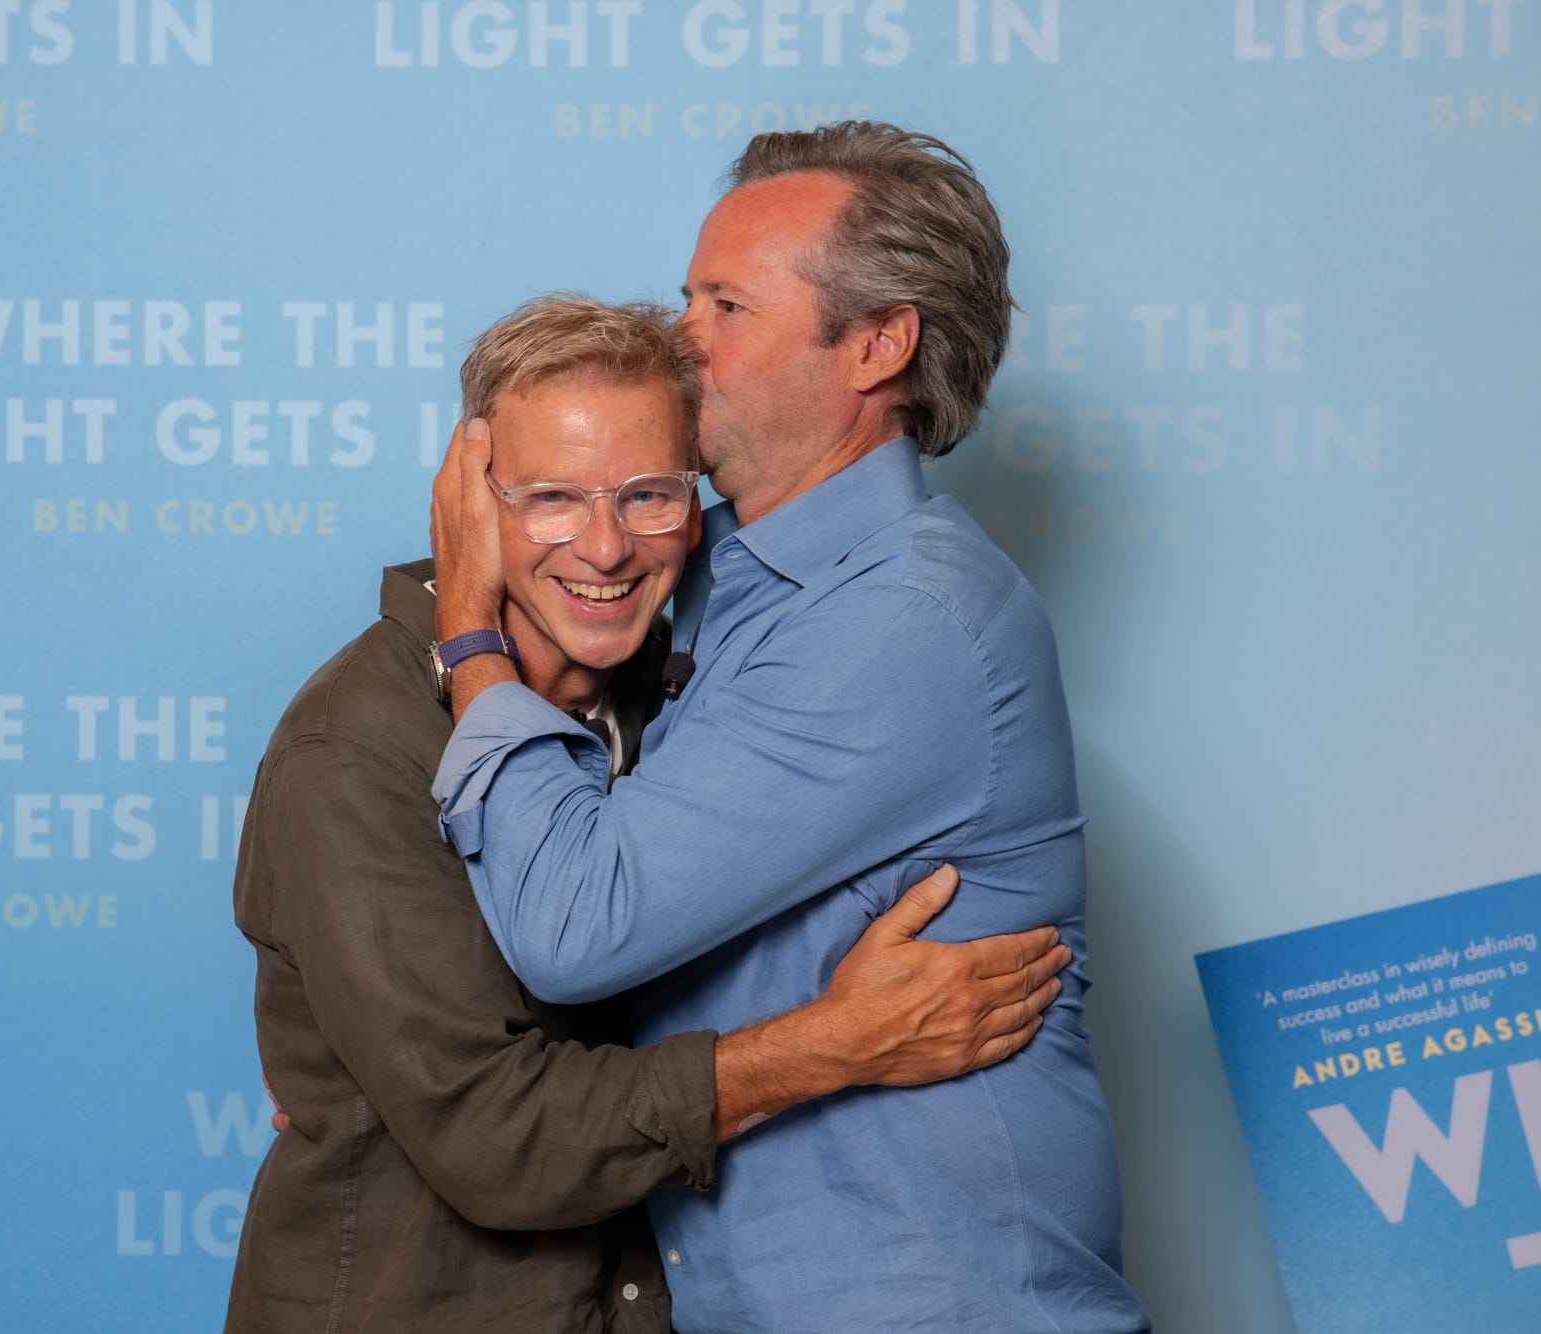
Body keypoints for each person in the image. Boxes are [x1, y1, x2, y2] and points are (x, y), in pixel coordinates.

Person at [226, 294, 1069, 1333]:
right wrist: (837, 1042)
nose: (605, 547)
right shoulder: (356, 749)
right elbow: (497, 1135)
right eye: (550, 498)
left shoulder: (681, 691)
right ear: (468, 503)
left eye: (648, 496)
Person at [431, 126, 1151, 1331]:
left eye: (725, 305)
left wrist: (466, 630)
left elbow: (575, 919)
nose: (680, 338)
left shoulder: (905, 618)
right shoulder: (687, 576)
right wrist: (372, 1055)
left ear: (877, 344)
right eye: (685, 298)